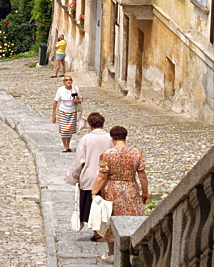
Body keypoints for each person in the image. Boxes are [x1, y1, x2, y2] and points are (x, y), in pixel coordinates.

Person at [91, 125, 149, 259]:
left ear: (112, 138)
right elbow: (142, 175)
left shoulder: (107, 154)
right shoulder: (136, 153)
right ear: (125, 137)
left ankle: (112, 253)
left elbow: (102, 175)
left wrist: (94, 192)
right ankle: (134, 250)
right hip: (131, 188)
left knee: (112, 219)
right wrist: (145, 192)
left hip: (112, 189)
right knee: (133, 216)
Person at [63, 112, 113, 241]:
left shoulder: (86, 139)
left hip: (89, 176)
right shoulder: (110, 138)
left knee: (92, 206)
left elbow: (80, 160)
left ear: (90, 125)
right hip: (107, 177)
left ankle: (97, 232)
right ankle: (103, 231)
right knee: (104, 204)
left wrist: (73, 177)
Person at [52, 75, 82, 152]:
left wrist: (77, 100)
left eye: (70, 80)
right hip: (62, 111)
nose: (68, 81)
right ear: (64, 82)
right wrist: (53, 115)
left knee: (70, 130)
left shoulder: (75, 89)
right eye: (66, 80)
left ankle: (68, 145)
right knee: (64, 129)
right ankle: (64, 146)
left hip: (72, 111)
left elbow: (81, 98)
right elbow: (55, 102)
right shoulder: (60, 90)